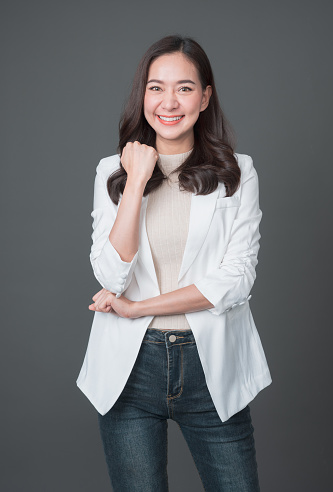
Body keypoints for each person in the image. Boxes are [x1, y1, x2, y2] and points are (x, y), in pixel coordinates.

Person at [76, 34, 272, 491]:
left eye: (184, 88)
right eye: (156, 87)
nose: (169, 101)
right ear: (142, 95)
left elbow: (237, 279)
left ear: (205, 97)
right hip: (130, 369)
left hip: (210, 363)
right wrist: (138, 178)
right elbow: (110, 275)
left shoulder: (237, 172)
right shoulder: (113, 172)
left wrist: (140, 307)